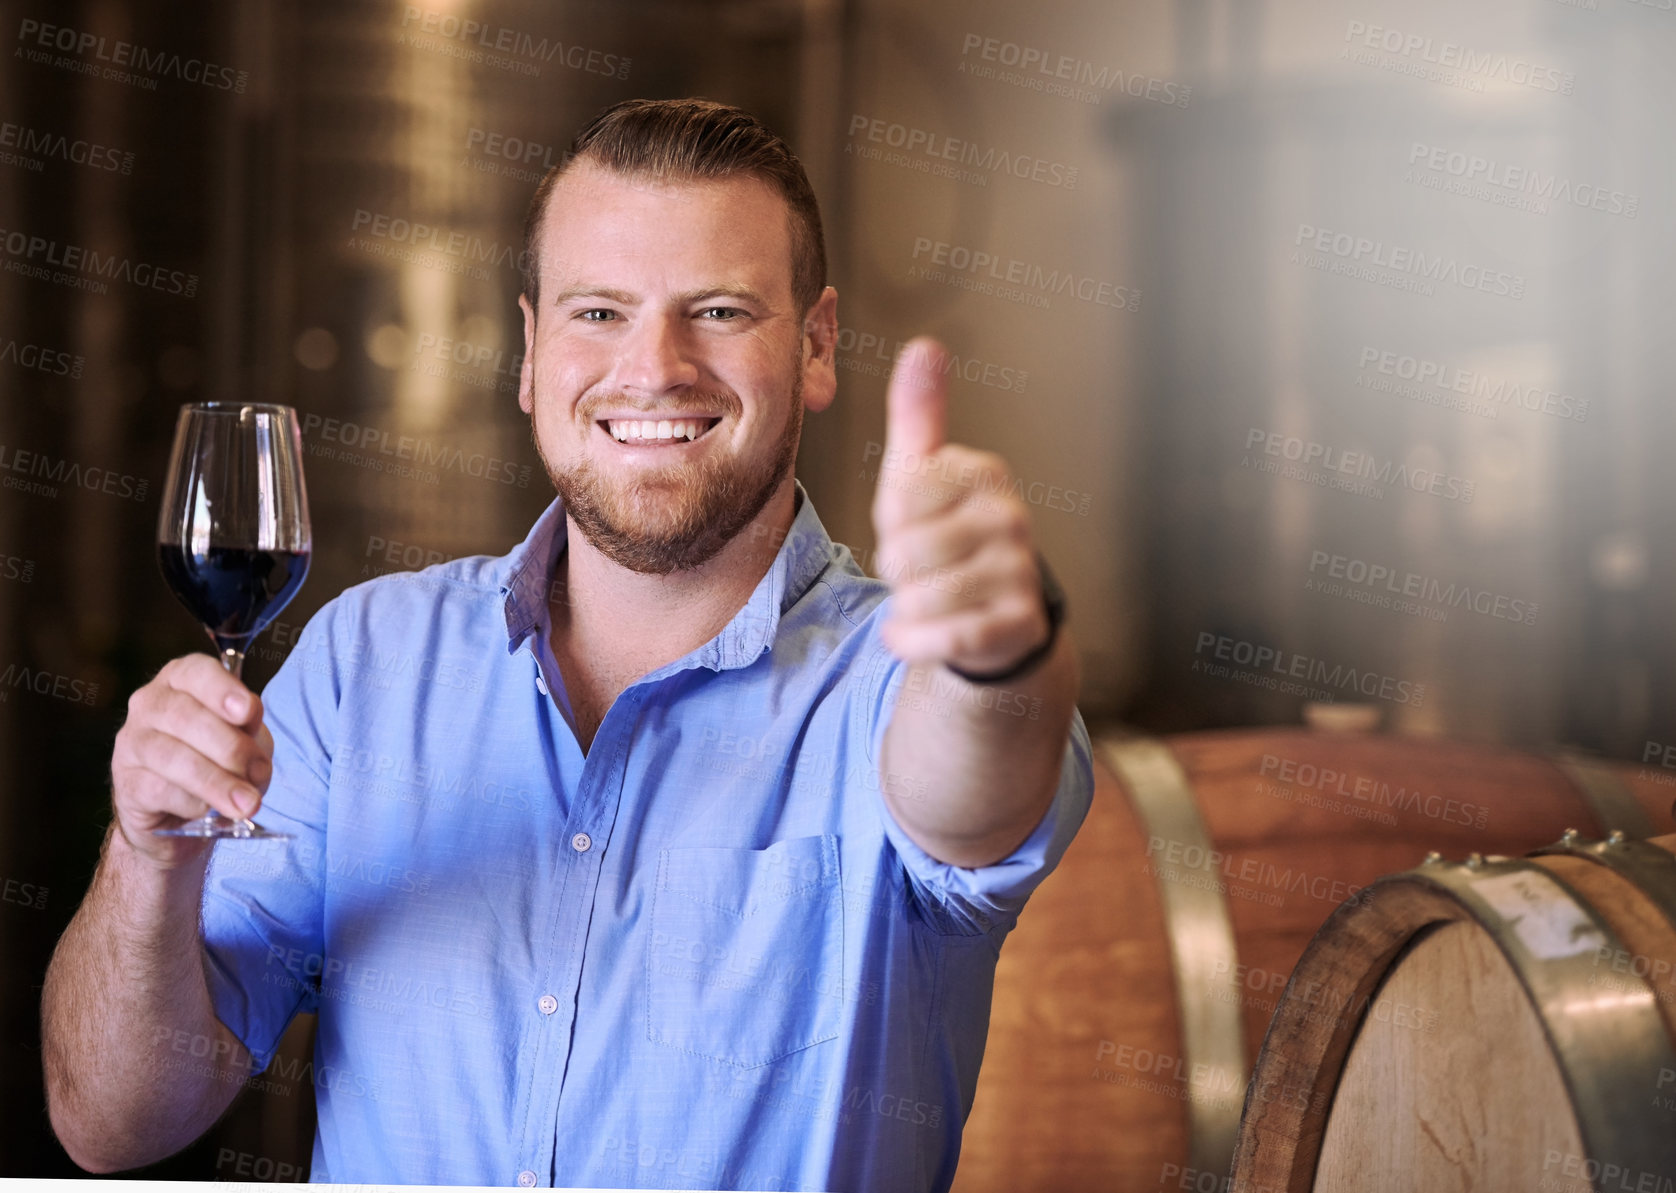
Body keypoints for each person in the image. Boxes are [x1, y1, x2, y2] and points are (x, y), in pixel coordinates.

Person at [41, 98, 1093, 1192]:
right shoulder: (369, 661)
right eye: (598, 312)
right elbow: (113, 1126)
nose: (654, 367)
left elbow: (971, 784)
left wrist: (994, 653)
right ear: (531, 351)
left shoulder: (890, 672)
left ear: (817, 345)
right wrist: (150, 854)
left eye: (720, 310)